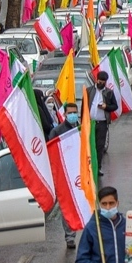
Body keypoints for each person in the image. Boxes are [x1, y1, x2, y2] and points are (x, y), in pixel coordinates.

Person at [75, 186, 131, 263]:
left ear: (117, 203)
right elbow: (81, 259)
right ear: (99, 205)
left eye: (111, 203)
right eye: (104, 204)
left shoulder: (127, 225)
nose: (108, 207)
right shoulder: (92, 227)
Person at [49, 102, 81, 248]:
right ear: (65, 114)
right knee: (65, 205)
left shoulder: (81, 129)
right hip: (64, 174)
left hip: (79, 172)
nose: (73, 115)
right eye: (70, 113)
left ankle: (78, 233)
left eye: (75, 112)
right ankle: (69, 237)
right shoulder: (57, 132)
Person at [90, 71, 119, 158]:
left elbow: (115, 106)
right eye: (100, 81)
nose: (101, 83)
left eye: (104, 82)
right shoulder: (89, 91)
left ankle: (98, 168)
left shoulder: (109, 92)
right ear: (96, 80)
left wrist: (106, 107)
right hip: (90, 123)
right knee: (90, 145)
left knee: (100, 146)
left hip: (102, 123)